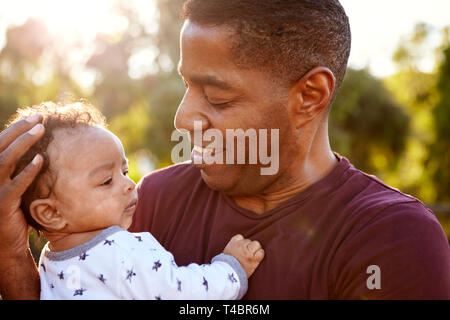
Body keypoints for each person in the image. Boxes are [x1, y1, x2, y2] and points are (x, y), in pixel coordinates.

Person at [0, 0, 449, 300]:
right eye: (187, 85)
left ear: (309, 96)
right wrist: (10, 252)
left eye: (216, 96)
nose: (183, 118)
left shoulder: (391, 240)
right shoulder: (147, 201)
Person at [3, 102, 264, 300]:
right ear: (50, 213)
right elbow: (181, 291)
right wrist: (231, 268)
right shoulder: (123, 250)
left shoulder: (51, 263)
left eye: (125, 172)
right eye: (106, 181)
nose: (129, 184)